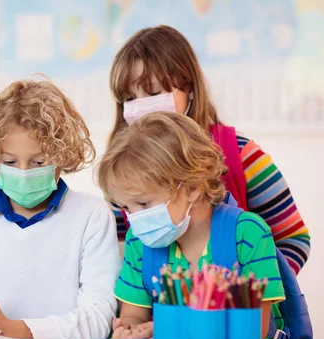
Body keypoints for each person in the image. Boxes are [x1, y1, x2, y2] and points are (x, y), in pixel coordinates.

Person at [0, 79, 120, 339]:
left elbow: (99, 319)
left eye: (39, 162)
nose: (24, 172)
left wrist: (14, 329)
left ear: (61, 156)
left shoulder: (91, 215)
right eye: (9, 161)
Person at [108, 25, 310, 275]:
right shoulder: (121, 169)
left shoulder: (241, 154)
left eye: (153, 92)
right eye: (129, 98)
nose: (141, 107)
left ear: (189, 88)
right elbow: (118, 250)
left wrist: (248, 291)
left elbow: (293, 238)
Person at [97, 112, 285, 339]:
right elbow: (134, 314)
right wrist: (130, 330)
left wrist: (167, 330)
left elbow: (254, 331)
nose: (135, 219)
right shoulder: (139, 243)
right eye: (126, 207)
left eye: (144, 203)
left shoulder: (247, 234)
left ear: (192, 188)